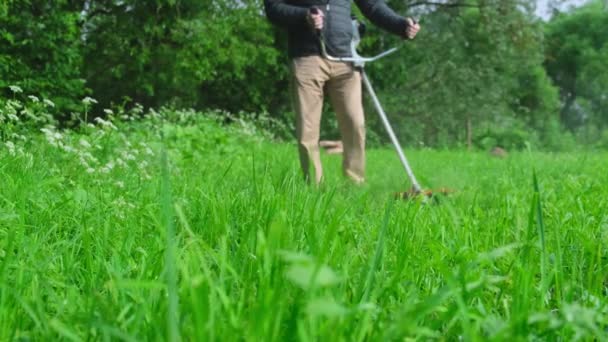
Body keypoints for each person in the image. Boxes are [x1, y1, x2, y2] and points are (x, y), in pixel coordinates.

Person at [264, 0, 420, 185]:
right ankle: (314, 189)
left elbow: (373, 6)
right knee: (308, 129)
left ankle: (355, 184)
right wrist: (304, 16)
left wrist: (401, 26)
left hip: (345, 57)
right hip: (307, 57)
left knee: (355, 122)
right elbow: (273, 8)